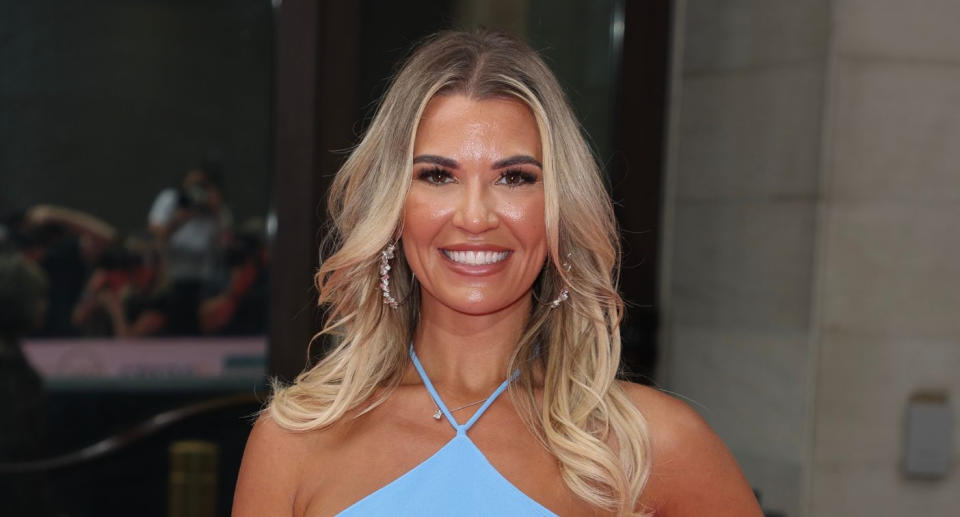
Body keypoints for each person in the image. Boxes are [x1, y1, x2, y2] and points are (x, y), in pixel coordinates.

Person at [233, 30, 762, 516]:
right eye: (438, 175)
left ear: (558, 211)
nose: (475, 217)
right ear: (393, 211)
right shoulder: (294, 441)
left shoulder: (653, 445)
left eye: (514, 177)